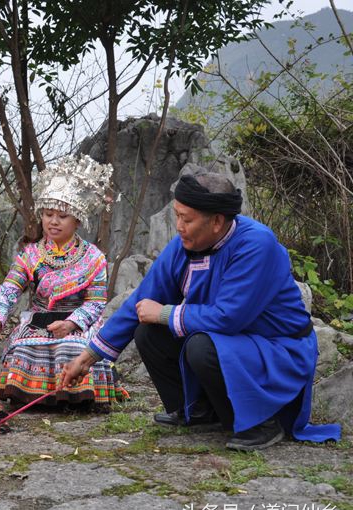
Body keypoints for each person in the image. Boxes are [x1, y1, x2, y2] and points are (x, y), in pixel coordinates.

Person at [61, 169, 342, 451]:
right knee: (147, 333)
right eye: (177, 215)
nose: (179, 225)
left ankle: (262, 423)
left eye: (187, 219)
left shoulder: (257, 244)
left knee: (200, 345)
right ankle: (199, 411)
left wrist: (166, 313)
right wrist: (87, 358)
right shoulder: (183, 246)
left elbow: (229, 317)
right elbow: (142, 300)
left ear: (217, 221)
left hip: (277, 350)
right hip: (232, 343)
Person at [0, 155, 129, 407]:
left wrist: (71, 323)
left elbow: (95, 303)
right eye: (48, 214)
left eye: (62, 216)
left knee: (72, 347)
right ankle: (30, 395)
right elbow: (8, 290)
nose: (53, 221)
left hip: (78, 324)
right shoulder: (31, 254)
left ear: (77, 220)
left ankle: (74, 395)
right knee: (25, 348)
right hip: (40, 322)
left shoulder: (93, 257)